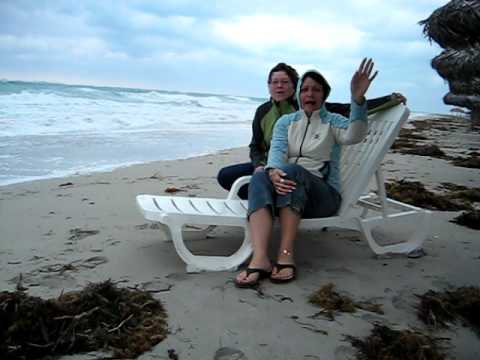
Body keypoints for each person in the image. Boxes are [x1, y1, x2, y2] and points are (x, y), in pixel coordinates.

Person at [234, 58, 379, 287]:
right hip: (290, 191)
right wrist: (271, 171)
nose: (310, 94)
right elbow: (276, 152)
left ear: (324, 95)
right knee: (260, 173)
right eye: (306, 89)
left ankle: (285, 254)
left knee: (292, 170)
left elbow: (356, 135)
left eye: (317, 90)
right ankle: (260, 257)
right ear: (299, 94)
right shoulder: (286, 122)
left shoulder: (334, 122)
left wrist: (357, 99)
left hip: (323, 197)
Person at [217, 63, 406, 200]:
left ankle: (271, 200)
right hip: (269, 164)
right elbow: (255, 145)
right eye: (274, 82)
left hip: (297, 168)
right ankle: (267, 199)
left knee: (272, 178)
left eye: (284, 82)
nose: (279, 86)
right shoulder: (263, 111)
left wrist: (388, 100)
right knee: (225, 175)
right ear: (269, 86)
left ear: (295, 86)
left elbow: (347, 109)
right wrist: (259, 164)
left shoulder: (308, 108)